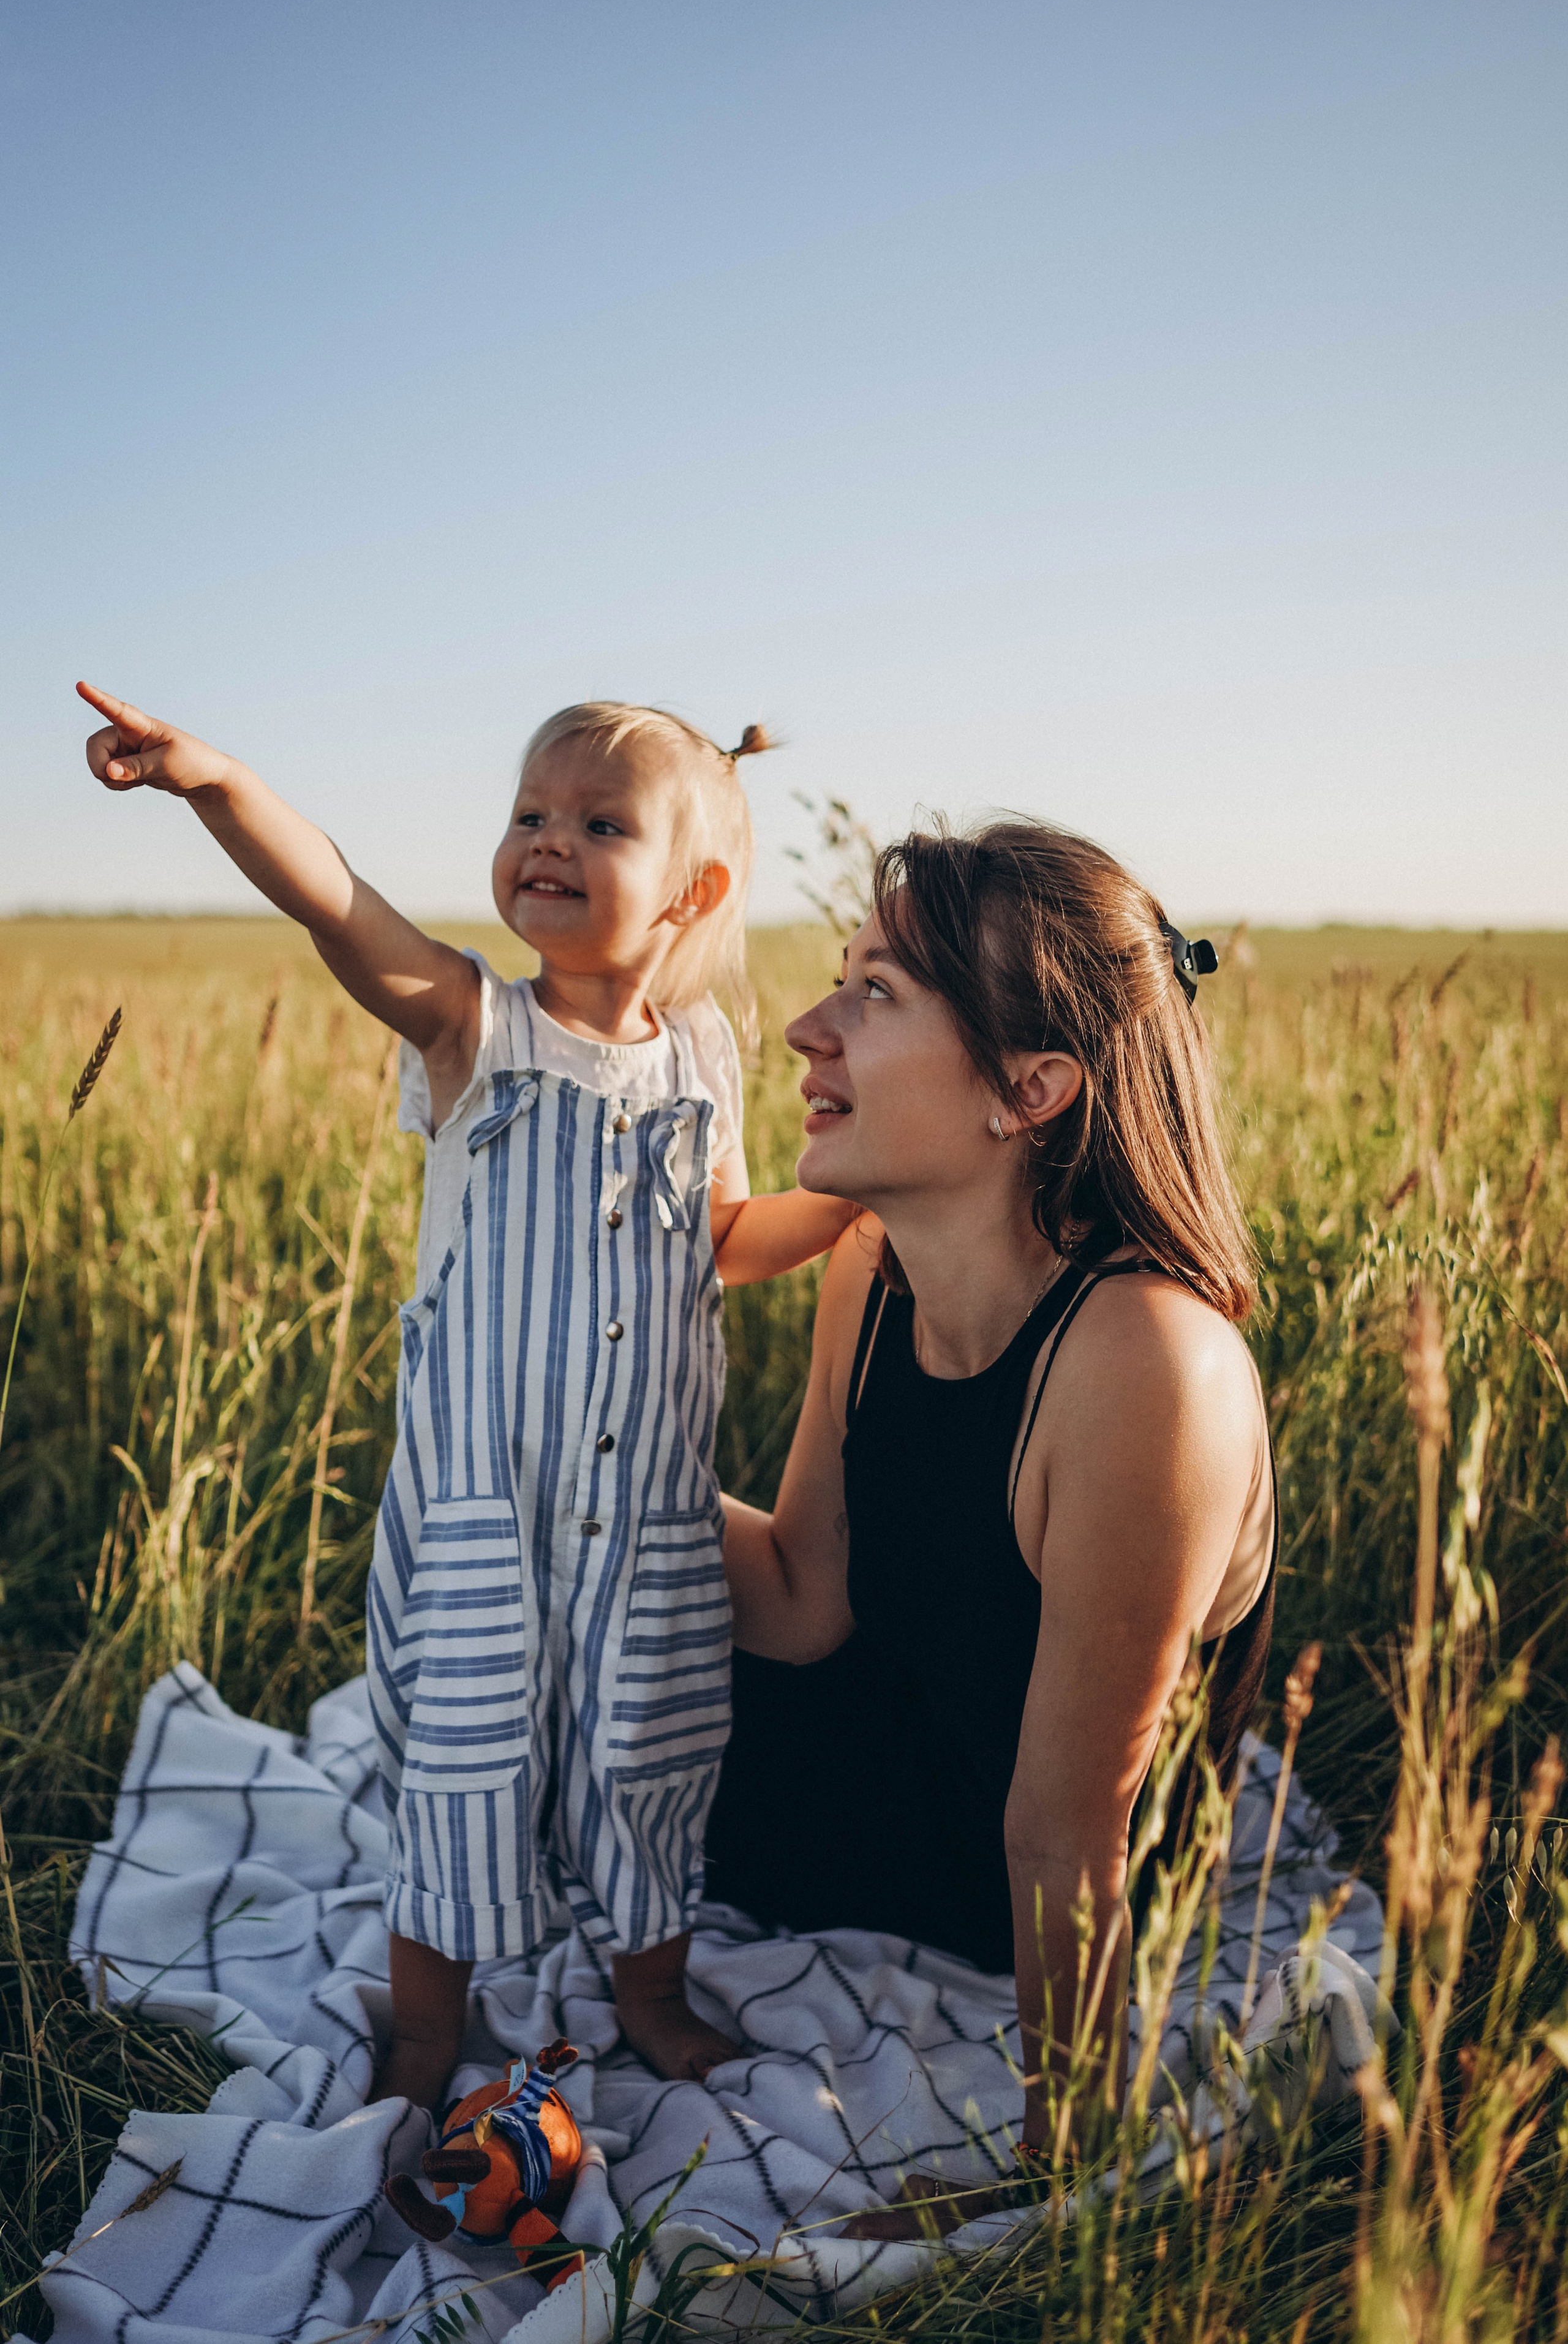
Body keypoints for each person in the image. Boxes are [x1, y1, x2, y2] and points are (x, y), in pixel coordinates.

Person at [77, 682, 855, 2099]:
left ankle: (652, 1995)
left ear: (694, 889)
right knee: (460, 1769)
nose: (545, 840)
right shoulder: (472, 1027)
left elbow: (727, 1240)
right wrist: (215, 784)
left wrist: (853, 1206)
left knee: (649, 1760)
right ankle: (428, 2025)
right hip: (481, 1520)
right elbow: (338, 906)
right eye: (528, 814)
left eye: (597, 823)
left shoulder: (701, 1059)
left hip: (644, 1521)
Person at [706, 817, 1275, 2188]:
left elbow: (1066, 1827)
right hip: (896, 1760)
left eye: (876, 993)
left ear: (1028, 1089)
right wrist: (567, 1470)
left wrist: (1048, 2175)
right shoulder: (871, 1261)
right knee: (558, 1703)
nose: (803, 1028)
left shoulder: (1143, 1362)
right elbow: (796, 1601)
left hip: (1012, 1868)